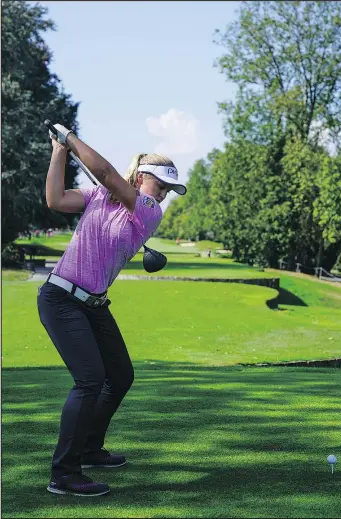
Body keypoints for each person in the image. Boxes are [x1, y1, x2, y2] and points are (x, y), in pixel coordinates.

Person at [37, 123, 187, 497]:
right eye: (161, 186)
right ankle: (65, 473)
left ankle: (89, 449)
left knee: (119, 375)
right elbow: (55, 200)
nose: (165, 195)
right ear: (140, 177)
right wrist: (59, 150)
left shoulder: (149, 211)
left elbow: (105, 172)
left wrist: (70, 138)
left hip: (94, 303)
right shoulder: (97, 197)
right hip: (61, 298)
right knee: (90, 379)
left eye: (169, 190)